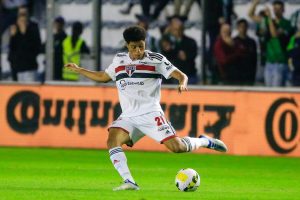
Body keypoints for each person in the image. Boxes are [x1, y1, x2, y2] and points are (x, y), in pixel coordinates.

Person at [64, 26, 228, 191]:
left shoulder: (155, 59)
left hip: (151, 113)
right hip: (129, 116)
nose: (138, 50)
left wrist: (182, 82)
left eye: (141, 46)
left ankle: (205, 141)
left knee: (177, 148)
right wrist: (79, 70)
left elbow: (181, 74)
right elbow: (103, 77)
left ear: (145, 43)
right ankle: (129, 181)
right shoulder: (119, 60)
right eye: (134, 47)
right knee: (112, 140)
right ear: (127, 45)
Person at [8, 5, 41, 81]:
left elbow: (36, 47)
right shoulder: (14, 27)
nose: (22, 17)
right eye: (20, 15)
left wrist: (24, 33)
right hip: (16, 67)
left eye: (24, 14)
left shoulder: (33, 27)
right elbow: (12, 47)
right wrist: (13, 36)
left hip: (29, 66)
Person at [233, 19, 257, 85]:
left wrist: (253, 74)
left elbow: (254, 60)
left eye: (244, 26)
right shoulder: (234, 41)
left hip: (248, 73)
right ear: (237, 28)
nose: (243, 28)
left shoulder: (252, 42)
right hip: (237, 74)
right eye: (241, 26)